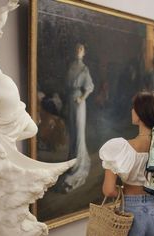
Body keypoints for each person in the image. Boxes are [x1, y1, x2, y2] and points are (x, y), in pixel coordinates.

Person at [99, 91, 154, 235]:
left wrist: (124, 195)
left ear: (140, 115)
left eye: (134, 108)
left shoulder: (119, 149)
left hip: (130, 213)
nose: (132, 110)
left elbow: (108, 190)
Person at [0, 0, 37, 148]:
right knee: (22, 133)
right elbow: (0, 23)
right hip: (3, 89)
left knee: (29, 130)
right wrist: (5, 9)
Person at [63, 43, 94, 191]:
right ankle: (72, 161)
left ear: (84, 53)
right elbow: (67, 84)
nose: (78, 52)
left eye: (81, 49)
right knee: (72, 132)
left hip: (79, 102)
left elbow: (89, 87)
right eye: (76, 49)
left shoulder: (84, 69)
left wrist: (82, 98)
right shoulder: (71, 66)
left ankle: (79, 166)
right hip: (70, 100)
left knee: (79, 132)